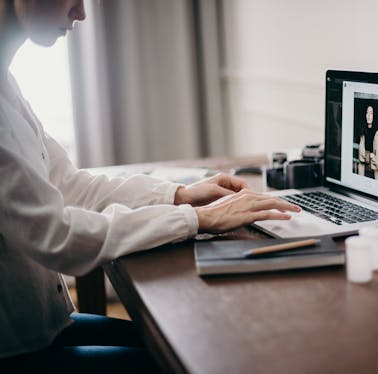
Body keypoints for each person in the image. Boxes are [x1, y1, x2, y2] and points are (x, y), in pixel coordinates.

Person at [0, 1, 300, 372]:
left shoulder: (6, 83)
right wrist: (197, 219)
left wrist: (177, 195)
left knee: (181, 346)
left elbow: (69, 184)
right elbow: (56, 237)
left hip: (42, 328)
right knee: (193, 359)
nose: (80, 14)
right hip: (17, 352)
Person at [358, 105, 378, 180]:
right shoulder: (362, 131)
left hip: (374, 171)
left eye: (371, 113)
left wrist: (371, 156)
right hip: (363, 169)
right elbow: (361, 155)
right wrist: (369, 155)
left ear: (374, 115)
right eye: (367, 112)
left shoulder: (377, 132)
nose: (368, 115)